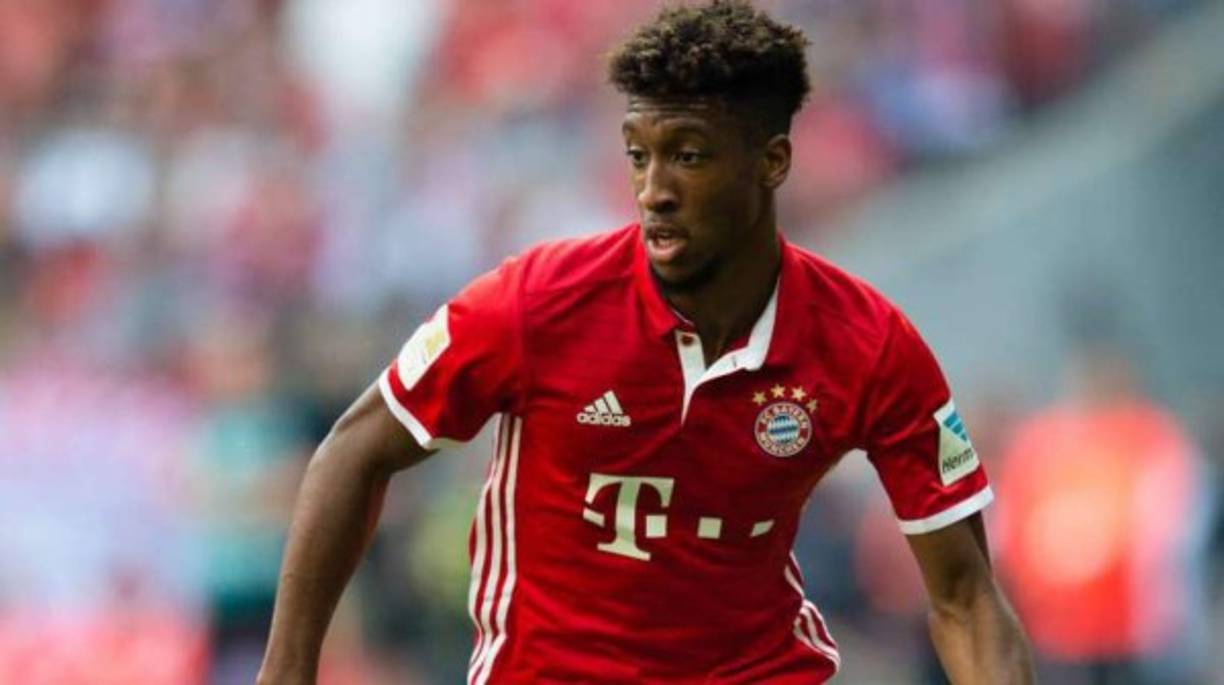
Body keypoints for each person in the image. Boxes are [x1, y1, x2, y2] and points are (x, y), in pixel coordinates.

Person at [257, 2, 1034, 683]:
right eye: (638, 153)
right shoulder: (534, 303)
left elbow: (965, 596)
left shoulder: (867, 343)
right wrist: (286, 671)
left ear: (772, 162)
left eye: (688, 155)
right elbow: (354, 451)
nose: (653, 188)